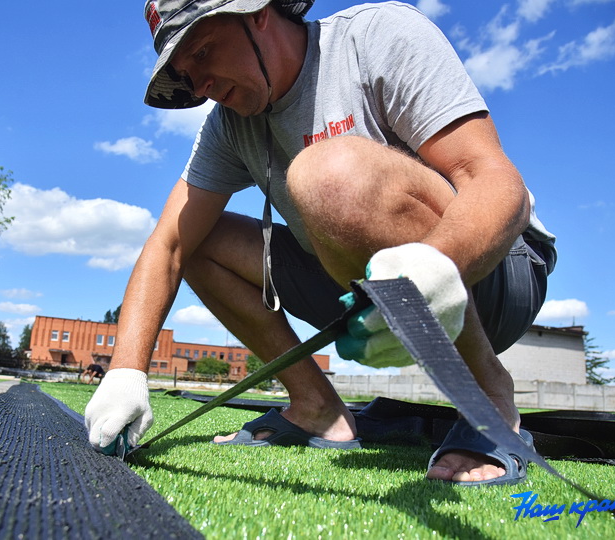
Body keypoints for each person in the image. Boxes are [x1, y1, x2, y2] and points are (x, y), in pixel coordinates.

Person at [85, 0, 556, 486]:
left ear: (258, 13)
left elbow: (499, 184)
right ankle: (316, 407)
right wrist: (125, 372)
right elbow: (168, 246)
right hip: (361, 286)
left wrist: (439, 263)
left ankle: (490, 396)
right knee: (198, 237)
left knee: (326, 175)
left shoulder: (374, 37)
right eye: (185, 74)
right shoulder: (229, 125)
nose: (200, 86)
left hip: (493, 271)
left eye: (203, 51)